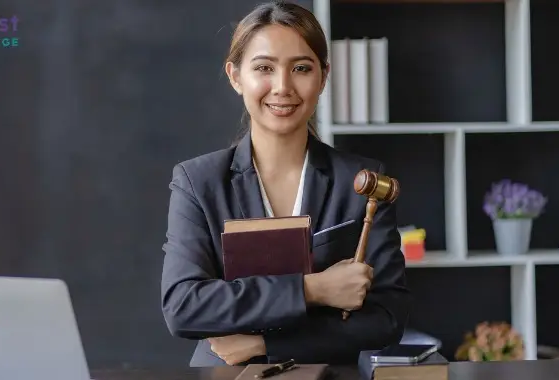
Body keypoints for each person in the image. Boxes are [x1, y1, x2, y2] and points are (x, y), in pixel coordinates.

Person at [160, 1, 410, 367]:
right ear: (235, 76)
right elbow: (184, 306)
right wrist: (314, 289)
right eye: (264, 68)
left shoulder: (361, 181)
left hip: (328, 373)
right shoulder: (198, 182)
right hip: (225, 373)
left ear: (323, 76)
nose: (282, 87)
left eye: (301, 68)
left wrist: (264, 345)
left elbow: (387, 318)